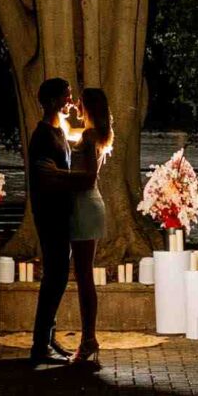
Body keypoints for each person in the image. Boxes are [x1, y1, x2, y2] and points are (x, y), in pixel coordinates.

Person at [25, 75, 94, 367]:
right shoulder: (42, 135)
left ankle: (48, 338)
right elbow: (47, 176)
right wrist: (83, 180)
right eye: (66, 96)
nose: (70, 100)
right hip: (49, 214)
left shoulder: (59, 131)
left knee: (58, 277)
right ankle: (40, 344)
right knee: (54, 277)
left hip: (61, 213)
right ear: (53, 100)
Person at [67, 87, 115, 368]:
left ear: (88, 106)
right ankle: (88, 338)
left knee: (83, 276)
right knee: (82, 275)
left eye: (80, 102)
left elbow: (87, 177)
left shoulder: (89, 136)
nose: (76, 105)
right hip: (86, 205)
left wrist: (57, 177)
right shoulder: (93, 134)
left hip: (84, 205)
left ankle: (88, 339)